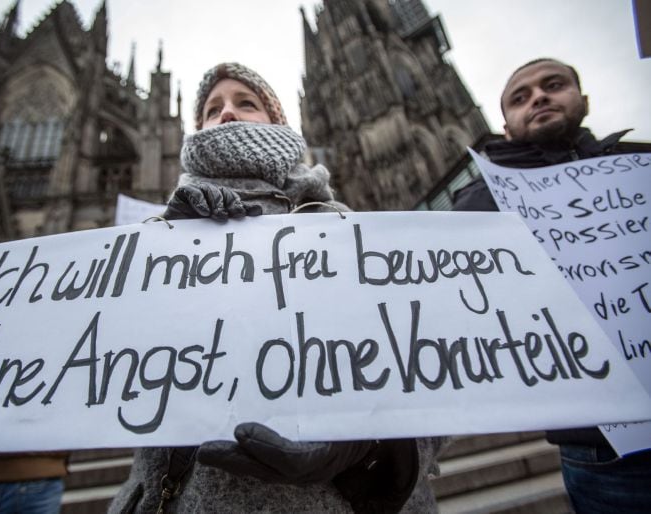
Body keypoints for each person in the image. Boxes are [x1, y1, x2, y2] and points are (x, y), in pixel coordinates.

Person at [108, 63, 446, 514]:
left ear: (277, 121)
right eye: (213, 108)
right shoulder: (163, 234)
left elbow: (436, 362)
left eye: (245, 102)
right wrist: (162, 258)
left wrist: (374, 447)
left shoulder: (343, 224)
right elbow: (107, 361)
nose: (227, 112)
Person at [453, 57, 651, 513]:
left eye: (553, 85)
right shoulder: (482, 199)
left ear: (583, 99)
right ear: (505, 126)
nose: (538, 97)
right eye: (520, 97)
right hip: (604, 448)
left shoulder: (637, 163)